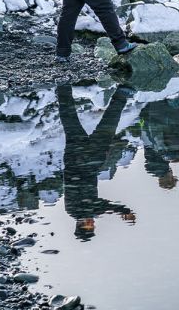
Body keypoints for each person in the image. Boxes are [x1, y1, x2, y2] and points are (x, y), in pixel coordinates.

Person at [56, 84, 136, 240]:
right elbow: (104, 207)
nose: (91, 223)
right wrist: (122, 211)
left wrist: (121, 211)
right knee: (71, 121)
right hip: (79, 159)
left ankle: (121, 94)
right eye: (92, 226)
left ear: (80, 225)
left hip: (84, 161)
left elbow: (101, 207)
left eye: (88, 226)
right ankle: (63, 87)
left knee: (106, 126)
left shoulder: (77, 211)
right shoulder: (82, 211)